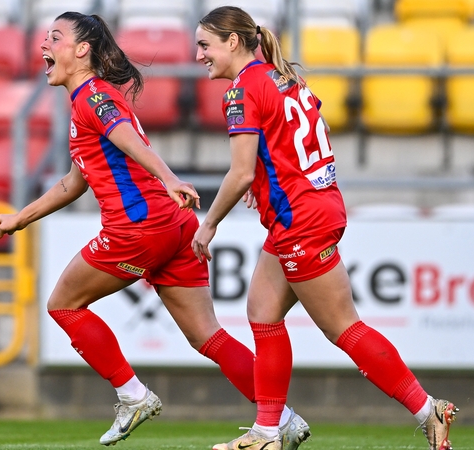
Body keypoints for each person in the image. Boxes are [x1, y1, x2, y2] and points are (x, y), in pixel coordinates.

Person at [0, 12, 309, 448]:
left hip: (136, 228)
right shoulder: (89, 97)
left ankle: (132, 395)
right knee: (207, 335)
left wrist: (170, 177)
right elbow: (74, 180)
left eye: (55, 38)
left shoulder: (92, 97)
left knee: (63, 305)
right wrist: (20, 218)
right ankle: (281, 419)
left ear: (82, 50)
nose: (44, 45)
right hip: (174, 227)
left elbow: (127, 138)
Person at [191, 6, 459, 450]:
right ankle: (267, 432)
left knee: (342, 328)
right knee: (262, 308)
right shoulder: (284, 78)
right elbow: (317, 131)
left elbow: (238, 173)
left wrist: (209, 225)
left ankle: (427, 409)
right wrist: (270, 178)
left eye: (205, 45)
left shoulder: (241, 92)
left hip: (300, 219)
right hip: (310, 208)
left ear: (232, 42)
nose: (199, 55)